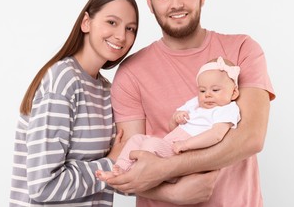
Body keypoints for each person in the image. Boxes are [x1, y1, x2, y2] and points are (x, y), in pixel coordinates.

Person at [106, 0, 275, 207]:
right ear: (150, 3)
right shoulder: (131, 72)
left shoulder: (242, 49)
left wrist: (166, 168)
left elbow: (251, 138)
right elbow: (130, 165)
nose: (176, 4)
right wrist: (172, 193)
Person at [9, 0, 139, 207]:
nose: (121, 36)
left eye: (131, 29)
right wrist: (109, 163)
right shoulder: (63, 81)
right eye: (112, 22)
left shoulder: (107, 90)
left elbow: (113, 176)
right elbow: (43, 186)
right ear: (86, 22)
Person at [96, 56, 241, 181]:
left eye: (215, 90)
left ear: (234, 93)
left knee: (151, 145)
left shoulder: (226, 109)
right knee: (137, 139)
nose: (207, 94)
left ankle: (133, 175)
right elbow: (172, 128)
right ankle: (120, 168)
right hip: (170, 143)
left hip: (184, 153)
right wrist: (175, 118)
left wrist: (186, 144)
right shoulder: (196, 103)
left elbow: (216, 135)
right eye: (202, 90)